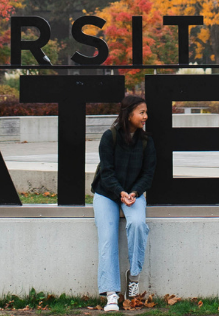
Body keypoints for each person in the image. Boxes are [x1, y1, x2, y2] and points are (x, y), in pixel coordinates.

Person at [92, 95, 155, 312]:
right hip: (107, 194)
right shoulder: (109, 137)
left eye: (146, 112)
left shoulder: (147, 141)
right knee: (108, 238)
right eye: (142, 112)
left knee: (137, 224)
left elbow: (148, 174)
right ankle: (111, 293)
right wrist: (120, 192)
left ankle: (134, 278)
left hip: (134, 195)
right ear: (129, 114)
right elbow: (106, 173)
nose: (146, 116)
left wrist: (134, 192)